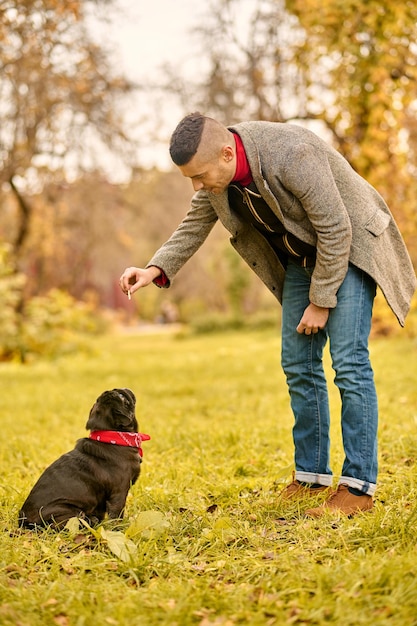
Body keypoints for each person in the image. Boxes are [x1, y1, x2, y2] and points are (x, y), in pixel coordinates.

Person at [120, 112, 416, 517]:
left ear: (227, 153)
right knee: (298, 363)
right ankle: (311, 478)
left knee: (348, 362)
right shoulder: (218, 177)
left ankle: (358, 488)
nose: (196, 185)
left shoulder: (292, 154)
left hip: (350, 249)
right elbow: (193, 224)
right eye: (189, 179)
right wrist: (154, 268)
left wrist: (321, 300)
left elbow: (335, 228)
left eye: (200, 175)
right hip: (302, 256)